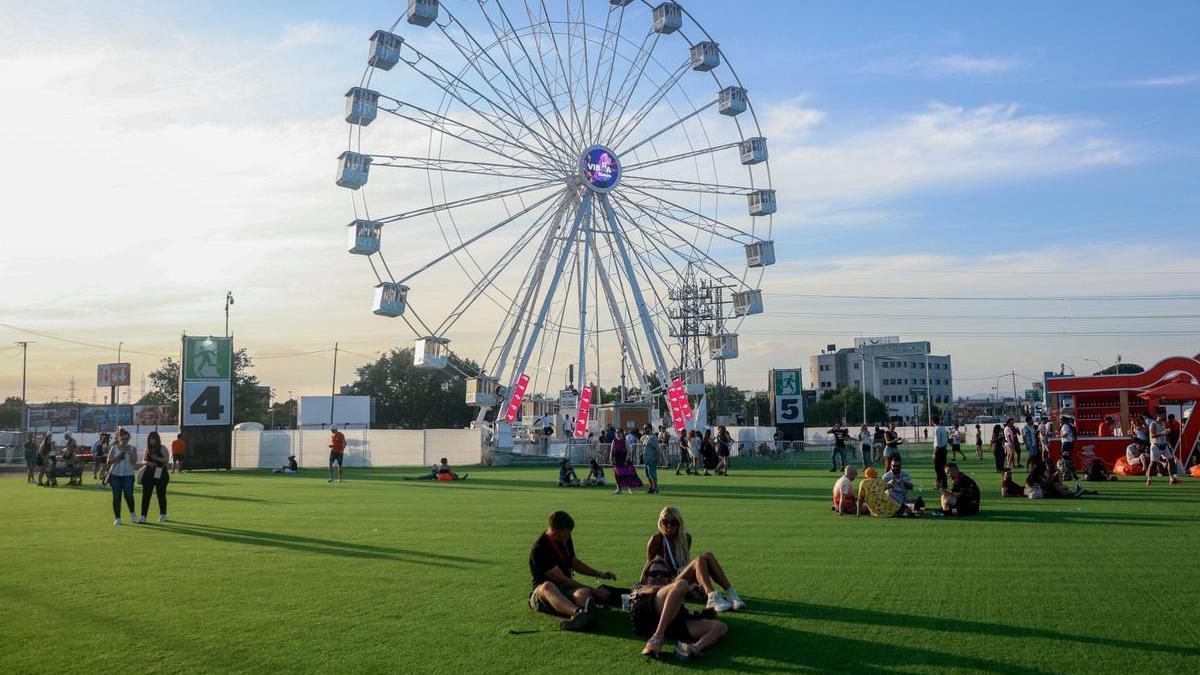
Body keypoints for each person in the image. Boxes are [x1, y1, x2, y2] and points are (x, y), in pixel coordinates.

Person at [528, 511, 618, 631]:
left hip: (565, 590)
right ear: (555, 533)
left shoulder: (565, 539)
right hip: (543, 594)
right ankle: (577, 613)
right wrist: (594, 590)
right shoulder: (539, 549)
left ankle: (585, 611)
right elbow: (562, 580)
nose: (568, 538)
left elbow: (574, 563)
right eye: (565, 536)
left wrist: (600, 574)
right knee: (548, 586)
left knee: (583, 593)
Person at [645, 506, 745, 612]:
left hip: (681, 577)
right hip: (669, 583)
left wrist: (697, 582)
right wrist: (641, 585)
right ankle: (711, 596)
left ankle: (730, 593)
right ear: (660, 522)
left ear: (679, 523)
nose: (669, 526)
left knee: (708, 556)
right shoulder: (656, 539)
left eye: (673, 522)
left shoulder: (685, 539)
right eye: (665, 522)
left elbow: (685, 563)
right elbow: (648, 563)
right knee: (699, 559)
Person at [630, 556, 728, 661]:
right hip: (649, 615)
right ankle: (657, 637)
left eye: (664, 574)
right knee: (682, 583)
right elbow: (652, 589)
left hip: (673, 623)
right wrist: (685, 588)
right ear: (646, 577)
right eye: (654, 574)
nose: (659, 576)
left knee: (720, 627)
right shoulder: (639, 587)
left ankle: (693, 649)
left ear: (669, 578)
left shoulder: (675, 590)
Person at [105, 429, 138, 526]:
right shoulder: (114, 448)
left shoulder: (132, 448)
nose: (125, 440)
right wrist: (118, 456)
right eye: (123, 438)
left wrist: (130, 454)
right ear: (119, 438)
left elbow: (134, 461)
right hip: (115, 475)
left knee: (128, 495)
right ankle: (118, 518)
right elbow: (108, 461)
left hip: (128, 475)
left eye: (127, 439)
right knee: (116, 497)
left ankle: (132, 513)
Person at [138, 431, 170, 523]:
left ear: (157, 439)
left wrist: (157, 458)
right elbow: (143, 460)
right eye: (151, 438)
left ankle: (163, 514)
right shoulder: (147, 449)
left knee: (161, 495)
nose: (152, 441)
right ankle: (143, 516)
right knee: (146, 495)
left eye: (154, 438)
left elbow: (166, 460)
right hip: (148, 473)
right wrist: (149, 463)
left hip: (161, 473)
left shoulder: (162, 448)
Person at [1146, 411, 1181, 486]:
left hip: (1164, 445)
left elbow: (1165, 436)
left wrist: (1169, 444)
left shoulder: (1163, 424)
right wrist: (1162, 433)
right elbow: (1152, 435)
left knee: (1171, 460)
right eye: (1163, 415)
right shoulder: (1153, 424)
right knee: (1153, 463)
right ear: (1158, 415)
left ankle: (1171, 479)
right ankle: (1149, 479)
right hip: (1155, 446)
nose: (1165, 417)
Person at [932, 416, 949, 489]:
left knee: (937, 468)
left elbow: (938, 442)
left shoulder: (937, 429)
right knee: (943, 467)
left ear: (932, 421)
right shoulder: (943, 428)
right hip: (944, 449)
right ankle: (944, 484)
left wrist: (935, 452)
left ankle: (939, 485)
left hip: (939, 450)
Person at [643, 426, 661, 494]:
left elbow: (657, 449)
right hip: (646, 459)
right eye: (644, 428)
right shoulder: (646, 437)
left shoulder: (653, 437)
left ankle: (655, 488)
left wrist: (658, 458)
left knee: (652, 475)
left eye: (646, 428)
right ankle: (651, 487)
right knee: (647, 475)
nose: (644, 429)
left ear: (650, 428)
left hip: (652, 459)